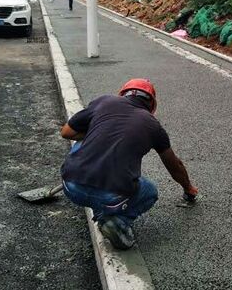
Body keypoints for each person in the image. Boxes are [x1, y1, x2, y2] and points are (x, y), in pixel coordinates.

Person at [60, 78, 198, 250]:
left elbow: (66, 132)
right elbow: (174, 166)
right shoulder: (153, 126)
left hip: (70, 186)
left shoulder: (103, 101)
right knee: (149, 191)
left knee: (81, 144)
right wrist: (188, 188)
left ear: (123, 93)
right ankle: (116, 221)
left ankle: (100, 207)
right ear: (151, 104)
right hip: (111, 198)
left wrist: (96, 131)